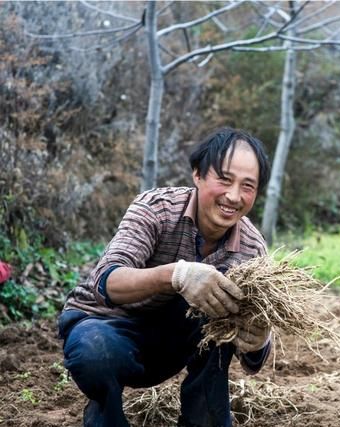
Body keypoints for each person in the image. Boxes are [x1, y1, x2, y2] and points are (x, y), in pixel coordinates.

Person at [58, 127, 273, 427]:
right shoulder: (155, 209)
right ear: (197, 174)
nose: (234, 196)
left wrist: (259, 340)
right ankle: (105, 416)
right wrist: (177, 274)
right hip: (107, 327)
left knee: (222, 310)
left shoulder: (252, 248)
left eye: (247, 186)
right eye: (224, 180)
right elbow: (107, 281)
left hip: (172, 343)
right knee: (95, 351)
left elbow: (255, 359)